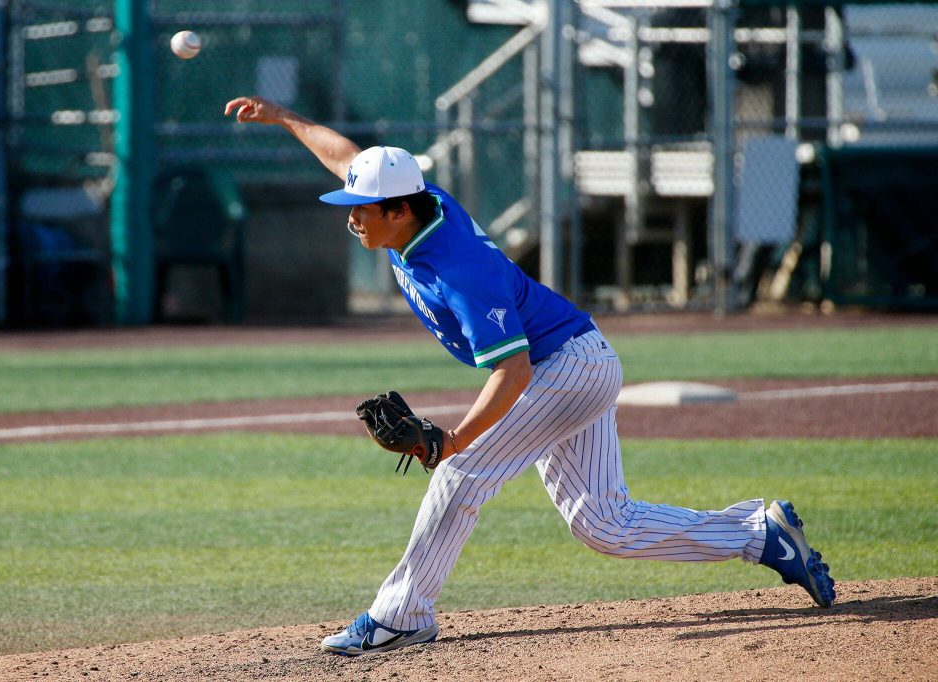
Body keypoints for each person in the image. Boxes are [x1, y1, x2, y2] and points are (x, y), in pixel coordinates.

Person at [223, 96, 836, 656]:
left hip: (562, 368)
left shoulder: (458, 268)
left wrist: (454, 439)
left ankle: (402, 614)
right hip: (577, 361)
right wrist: (283, 118)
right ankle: (759, 534)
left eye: (361, 211)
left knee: (462, 475)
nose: (351, 219)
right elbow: (348, 159)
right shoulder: (412, 206)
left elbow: (513, 371)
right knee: (603, 524)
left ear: (399, 209)